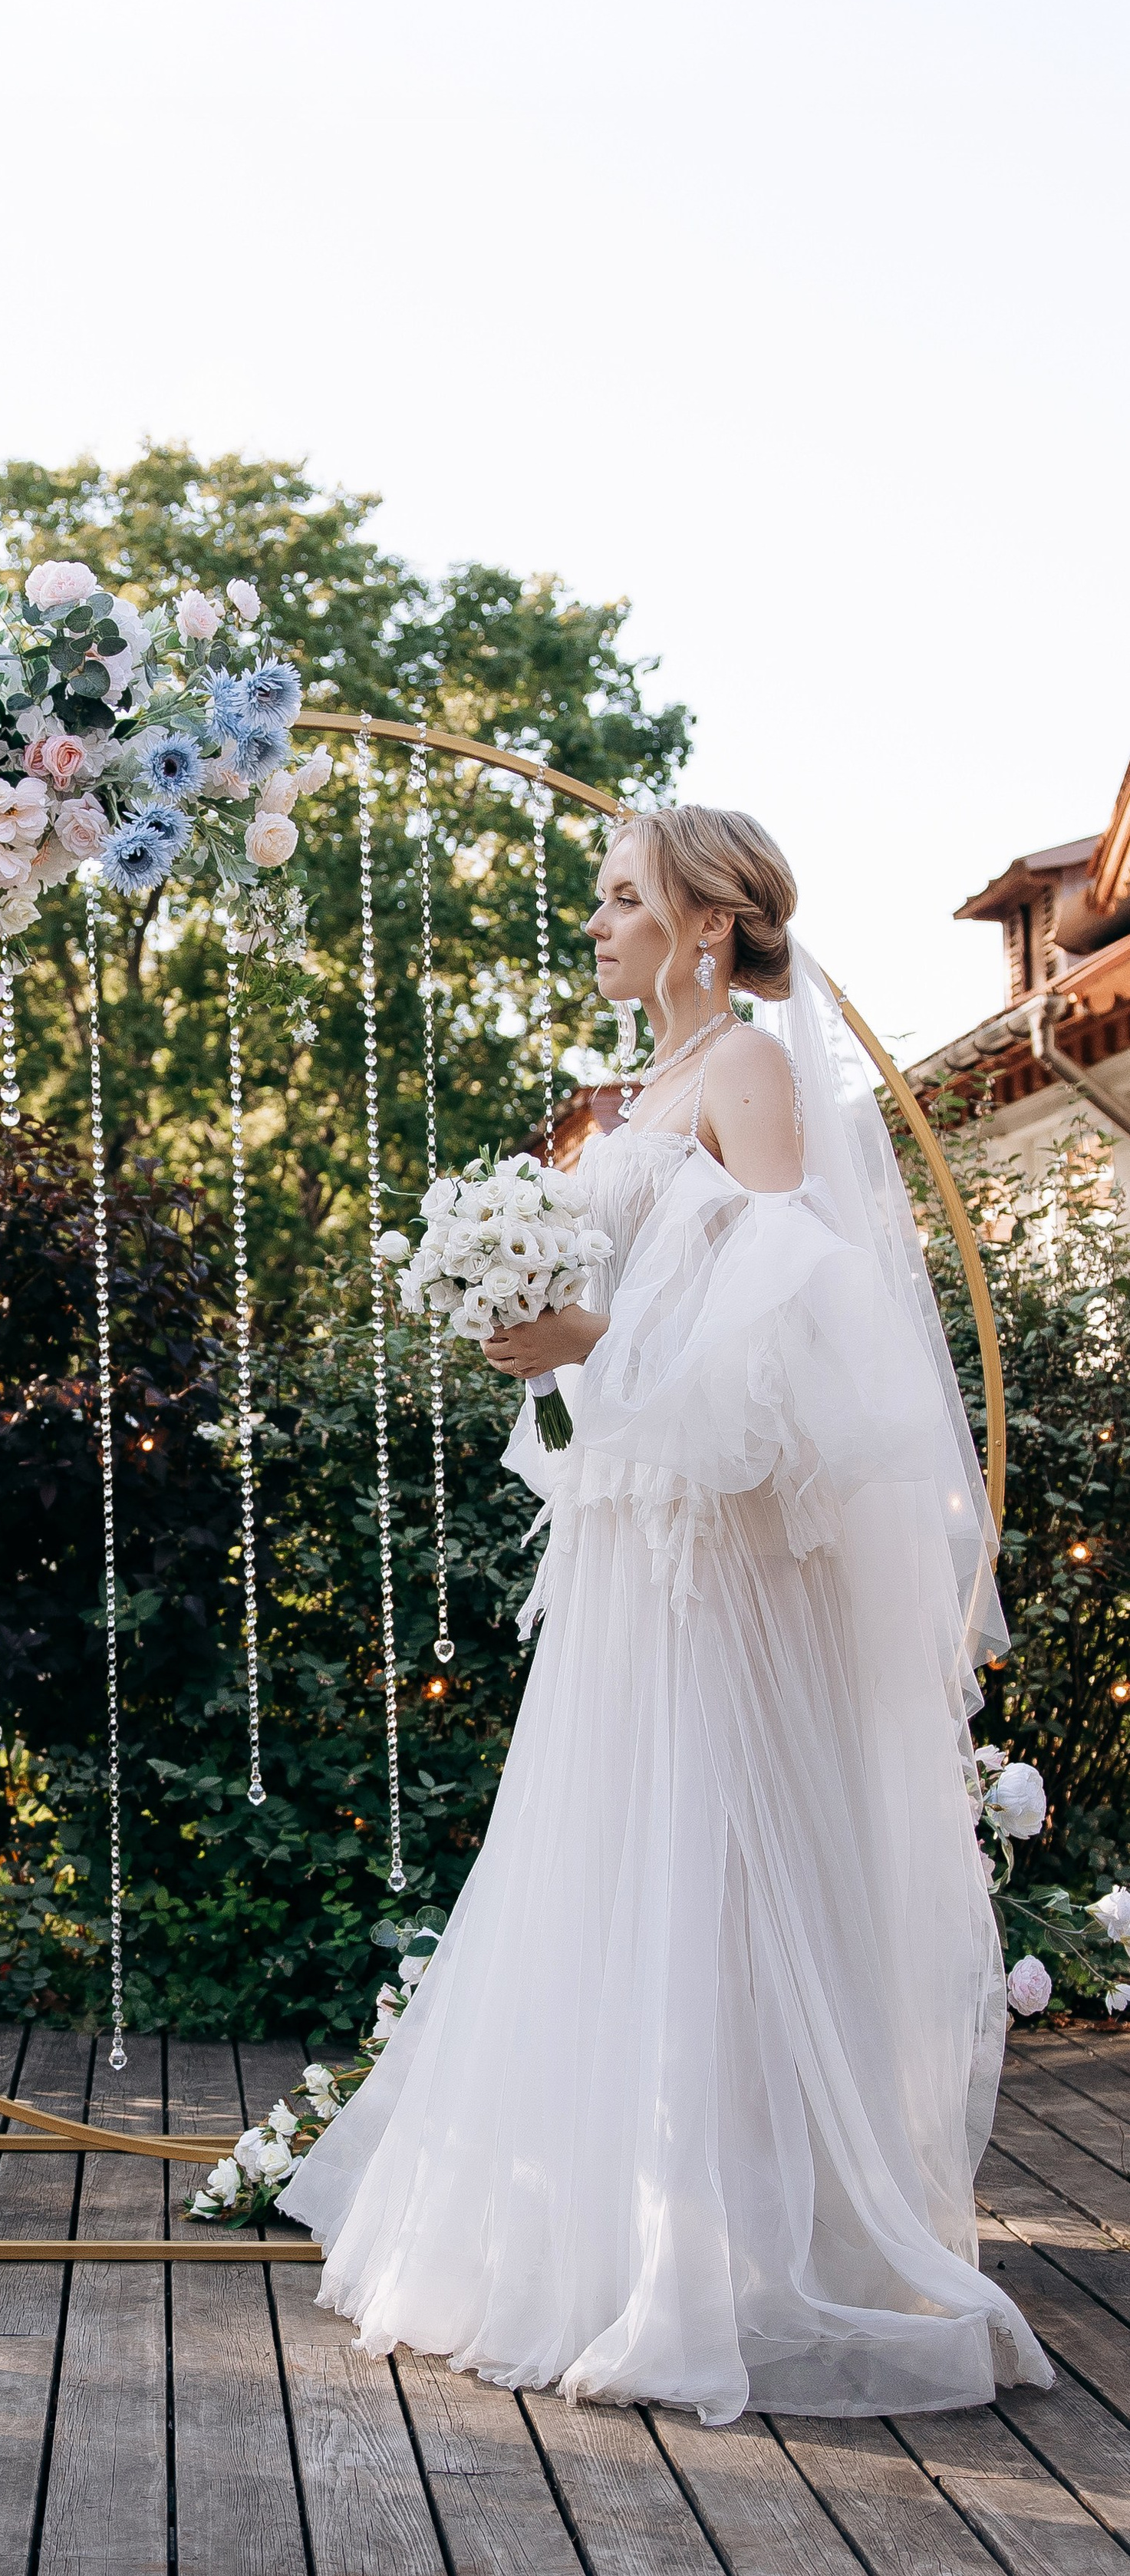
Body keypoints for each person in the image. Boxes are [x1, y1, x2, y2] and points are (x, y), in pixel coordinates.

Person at [281, 806, 1053, 2423]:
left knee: (710, 1849)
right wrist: (561, 1337)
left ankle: (742, 2251)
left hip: (716, 1549)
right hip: (636, 1536)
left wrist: (589, 1340)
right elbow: (660, 1302)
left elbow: (798, 1309)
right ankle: (621, 2226)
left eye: (622, 898)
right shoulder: (634, 1094)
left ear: (705, 925)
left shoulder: (754, 1072)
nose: (596, 921)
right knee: (618, 1845)